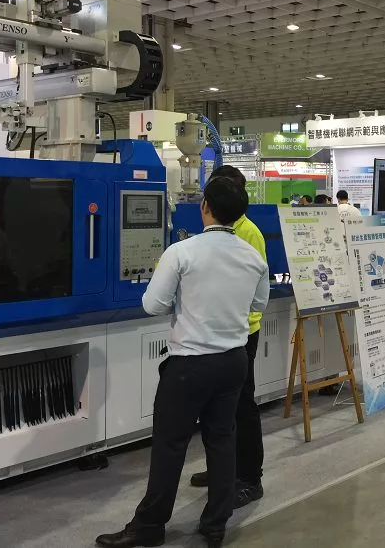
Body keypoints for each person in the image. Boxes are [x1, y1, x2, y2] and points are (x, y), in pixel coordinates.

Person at [96, 177, 270, 548]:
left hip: (190, 364)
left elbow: (152, 305)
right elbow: (258, 305)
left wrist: (184, 300)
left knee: (170, 444)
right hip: (234, 360)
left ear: (205, 206)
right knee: (222, 440)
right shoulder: (253, 257)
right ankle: (215, 525)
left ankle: (149, 526)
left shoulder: (182, 252)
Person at [187, 166, 267, 509]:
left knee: (242, 407)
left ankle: (250, 478)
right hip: (217, 333)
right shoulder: (218, 229)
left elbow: (255, 293)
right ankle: (223, 469)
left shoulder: (249, 233)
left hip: (241, 333)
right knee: (218, 408)